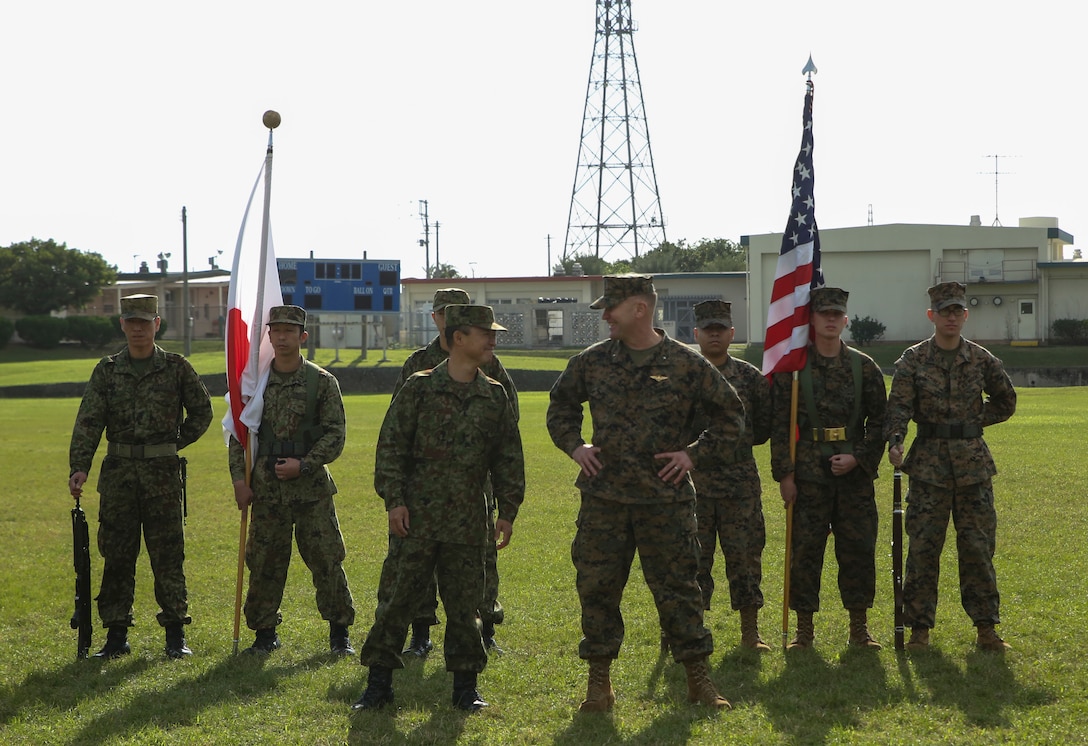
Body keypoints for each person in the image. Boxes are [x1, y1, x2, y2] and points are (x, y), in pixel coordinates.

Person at [547, 274, 743, 712]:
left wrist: (693, 455)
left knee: (680, 590)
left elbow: (731, 417)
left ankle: (698, 680)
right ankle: (599, 685)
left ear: (639, 308)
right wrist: (576, 447)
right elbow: (561, 406)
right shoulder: (592, 361)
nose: (604, 316)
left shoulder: (686, 363)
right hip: (605, 500)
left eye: (610, 307)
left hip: (666, 501)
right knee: (597, 589)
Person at [353, 304, 525, 713]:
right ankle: (378, 686)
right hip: (417, 517)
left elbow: (508, 458)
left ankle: (466, 690)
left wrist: (508, 511)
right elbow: (391, 447)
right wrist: (394, 501)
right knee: (396, 602)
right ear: (459, 338)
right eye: (485, 333)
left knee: (466, 607)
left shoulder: (494, 394)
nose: (493, 340)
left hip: (469, 520)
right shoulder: (419, 387)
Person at [68, 293, 212, 659]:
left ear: (156, 324)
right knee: (117, 554)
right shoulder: (107, 369)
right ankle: (116, 635)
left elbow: (202, 412)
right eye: (131, 322)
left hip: (162, 476)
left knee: (167, 555)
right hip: (118, 475)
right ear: (122, 324)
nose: (137, 329)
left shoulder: (177, 367)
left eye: (144, 323)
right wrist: (79, 466)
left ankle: (175, 635)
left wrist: (174, 441)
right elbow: (89, 420)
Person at [387, 288, 519, 658]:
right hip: (423, 489)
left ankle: (483, 626)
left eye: (455, 310)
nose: (449, 316)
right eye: (444, 311)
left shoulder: (487, 362)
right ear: (437, 318)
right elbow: (397, 430)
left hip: (472, 486)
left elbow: (508, 426)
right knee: (414, 566)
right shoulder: (419, 366)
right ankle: (420, 631)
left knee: (478, 561)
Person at [885, 281, 1016, 652]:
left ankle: (986, 629)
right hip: (928, 467)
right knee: (924, 548)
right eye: (945, 311)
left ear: (965, 315)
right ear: (932, 315)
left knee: (977, 548)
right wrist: (896, 439)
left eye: (957, 311)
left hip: (973, 467)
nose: (951, 317)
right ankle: (919, 631)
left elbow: (1006, 400)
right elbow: (898, 407)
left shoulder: (981, 358)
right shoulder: (913, 360)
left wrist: (974, 423)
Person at [229, 305, 356, 656]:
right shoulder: (255, 383)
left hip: (311, 489)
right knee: (265, 561)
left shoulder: (322, 382)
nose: (282, 337)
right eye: (276, 330)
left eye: (289, 331)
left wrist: (305, 464)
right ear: (268, 335)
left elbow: (335, 435)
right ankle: (264, 632)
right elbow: (239, 436)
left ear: (302, 336)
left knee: (326, 559)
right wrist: (240, 480)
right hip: (267, 491)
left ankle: (339, 632)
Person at [770, 287, 887, 650]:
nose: (831, 319)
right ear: (812, 319)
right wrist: (785, 475)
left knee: (858, 549)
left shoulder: (864, 367)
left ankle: (858, 628)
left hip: (853, 475)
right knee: (805, 551)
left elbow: (881, 423)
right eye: (825, 314)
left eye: (838, 314)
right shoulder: (793, 370)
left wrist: (860, 458)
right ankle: (804, 630)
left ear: (846, 319)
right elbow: (780, 425)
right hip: (807, 474)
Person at [690, 299, 772, 652]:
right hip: (693, 483)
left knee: (745, 557)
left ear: (731, 333)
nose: (714, 335)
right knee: (691, 558)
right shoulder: (681, 375)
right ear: (696, 334)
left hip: (740, 482)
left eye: (720, 329)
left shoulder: (751, 378)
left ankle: (750, 633)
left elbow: (764, 429)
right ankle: (686, 628)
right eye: (708, 329)